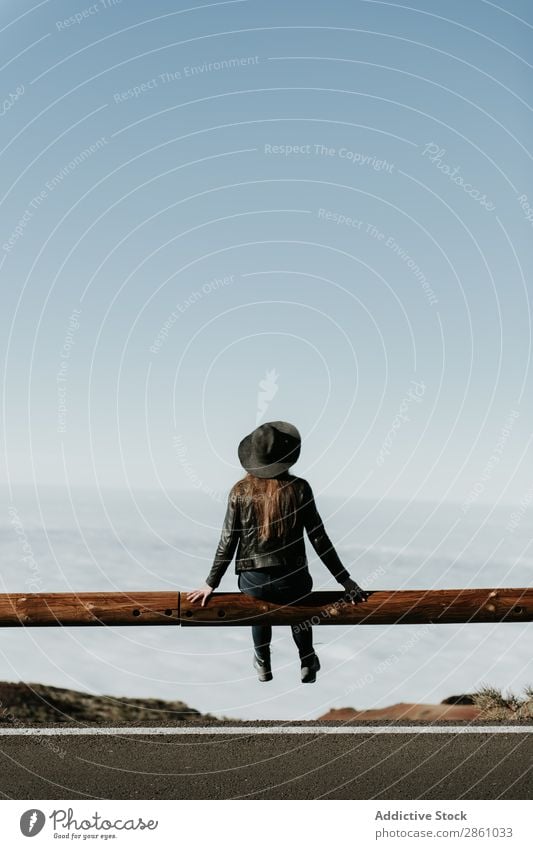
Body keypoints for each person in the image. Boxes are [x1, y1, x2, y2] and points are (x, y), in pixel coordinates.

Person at [186, 421, 368, 683]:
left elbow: (228, 540)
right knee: (300, 597)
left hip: (253, 579)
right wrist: (345, 580)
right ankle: (307, 658)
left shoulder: (240, 491)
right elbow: (319, 538)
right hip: (293, 579)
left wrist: (210, 583)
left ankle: (262, 660)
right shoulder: (300, 489)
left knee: (258, 603)